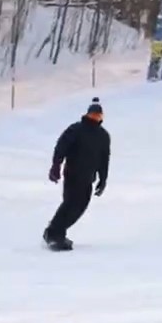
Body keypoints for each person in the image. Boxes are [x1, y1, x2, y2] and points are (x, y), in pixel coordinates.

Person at [44, 97, 111, 250]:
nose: (94, 118)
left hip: (88, 178)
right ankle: (54, 234)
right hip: (73, 174)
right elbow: (61, 147)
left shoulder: (103, 136)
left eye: (97, 116)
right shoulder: (76, 129)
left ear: (101, 117)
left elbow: (104, 158)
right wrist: (56, 165)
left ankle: (56, 231)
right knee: (70, 204)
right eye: (92, 115)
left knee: (80, 207)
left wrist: (103, 179)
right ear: (87, 114)